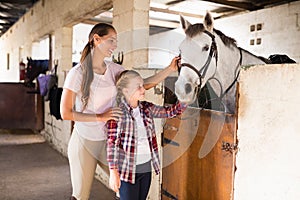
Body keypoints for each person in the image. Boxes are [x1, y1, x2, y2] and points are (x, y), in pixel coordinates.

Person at [60, 22, 181, 200]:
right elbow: (66, 113)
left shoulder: (115, 70)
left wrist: (169, 69)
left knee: (123, 189)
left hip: (111, 142)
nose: (115, 46)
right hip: (85, 142)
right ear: (96, 39)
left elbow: (141, 84)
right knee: (80, 195)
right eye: (111, 40)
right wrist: (101, 117)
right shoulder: (77, 73)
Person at [106, 70, 187, 200]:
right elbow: (112, 144)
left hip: (145, 168)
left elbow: (170, 112)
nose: (143, 89)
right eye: (138, 86)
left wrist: (186, 99)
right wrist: (113, 171)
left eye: (142, 85)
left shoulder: (146, 108)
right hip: (127, 170)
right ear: (126, 91)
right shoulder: (117, 113)